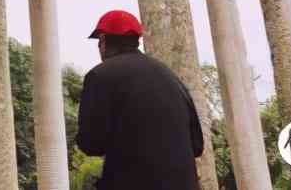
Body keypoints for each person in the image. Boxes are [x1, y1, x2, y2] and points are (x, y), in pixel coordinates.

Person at [74, 10, 205, 189]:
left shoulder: (99, 76)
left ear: (103, 41)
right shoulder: (169, 76)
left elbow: (91, 144)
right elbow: (197, 146)